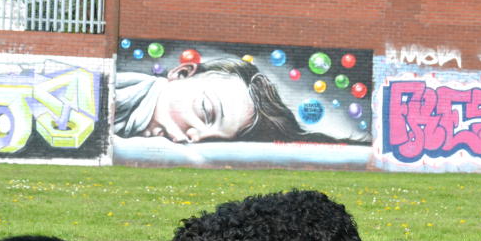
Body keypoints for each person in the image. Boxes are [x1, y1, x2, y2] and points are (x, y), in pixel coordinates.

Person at [114, 58, 341, 143]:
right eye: (205, 111)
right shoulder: (107, 93)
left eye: (211, 140)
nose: (193, 137)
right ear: (182, 73)